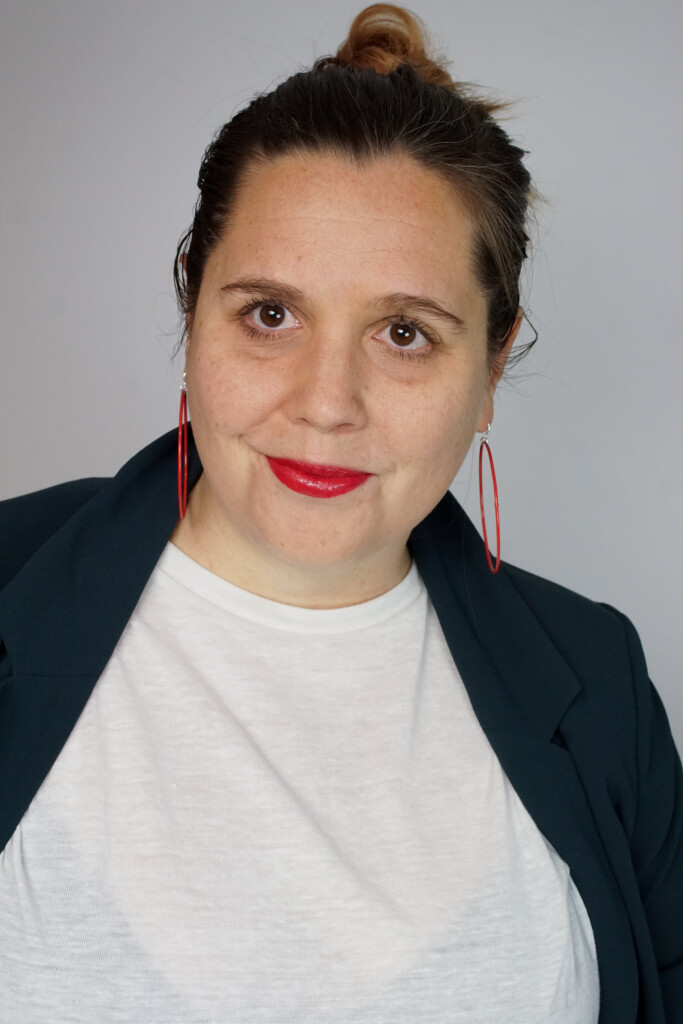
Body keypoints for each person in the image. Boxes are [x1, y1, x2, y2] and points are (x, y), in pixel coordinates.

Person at [0, 3, 681, 1021]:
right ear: (191, 311)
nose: (326, 402)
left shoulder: (597, 684)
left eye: (403, 332)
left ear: (490, 364)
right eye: (269, 314)